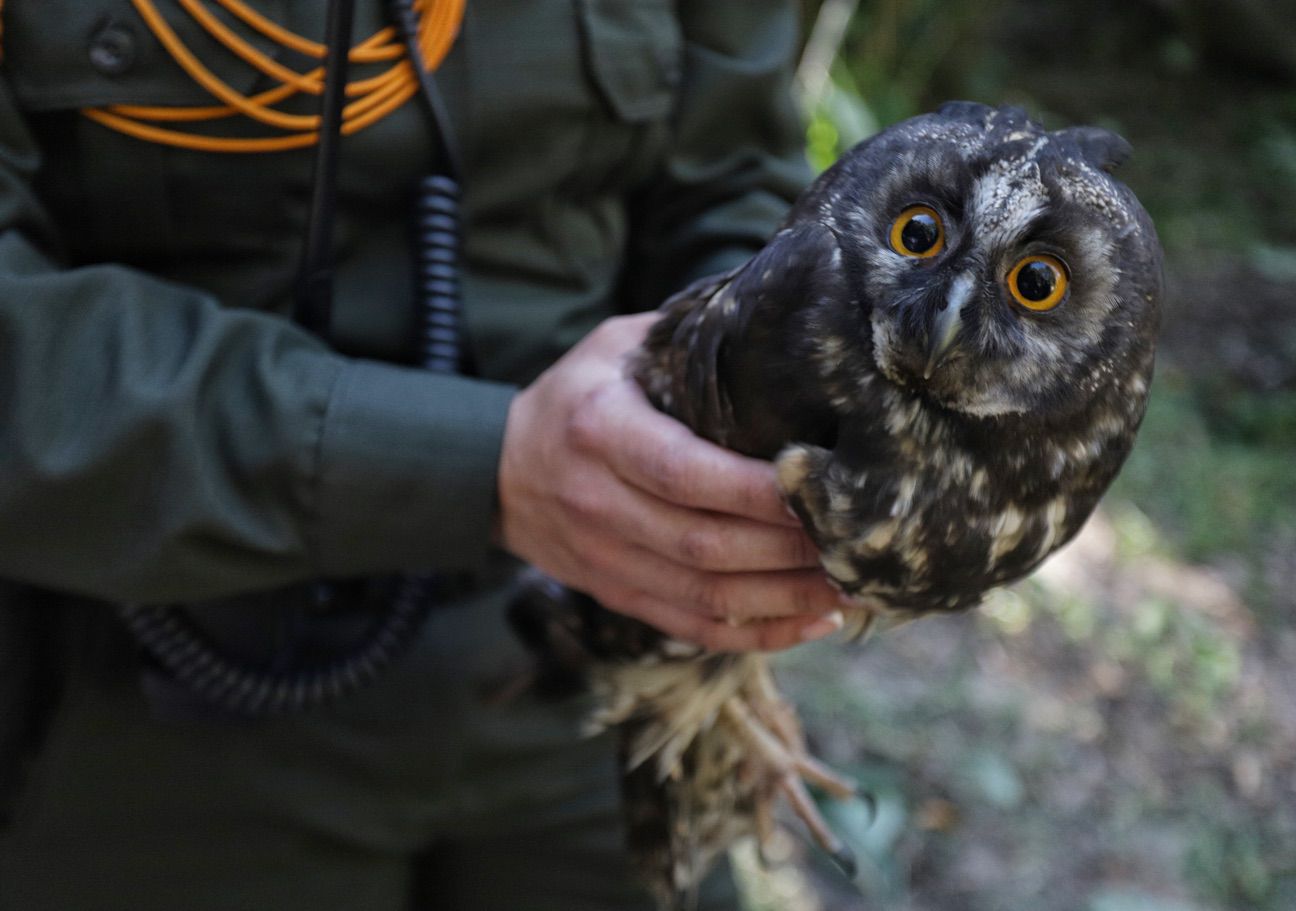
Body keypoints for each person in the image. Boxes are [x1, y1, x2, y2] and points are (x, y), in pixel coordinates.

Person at [0, 2, 850, 908]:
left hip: (600, 679)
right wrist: (485, 466)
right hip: (146, 689)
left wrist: (734, 425)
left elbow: (735, 178)